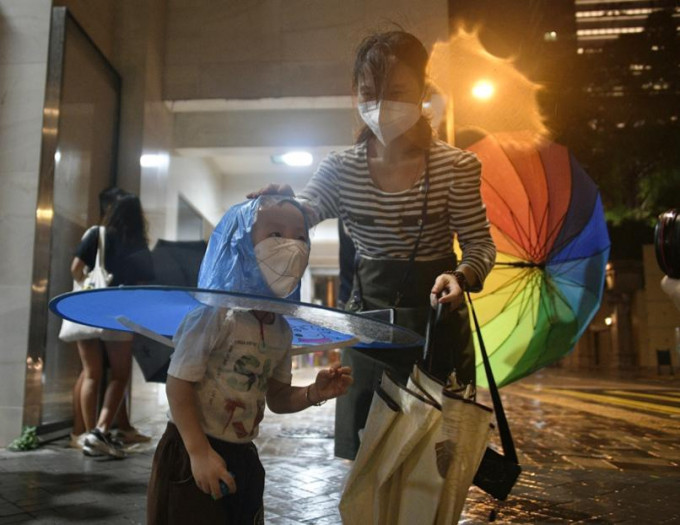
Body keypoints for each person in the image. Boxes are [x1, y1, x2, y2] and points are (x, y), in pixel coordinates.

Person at [249, 30, 496, 460]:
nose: (381, 105)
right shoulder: (340, 168)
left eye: (397, 91)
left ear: (422, 90)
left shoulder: (455, 166)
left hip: (435, 322)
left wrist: (460, 277)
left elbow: (479, 244)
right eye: (369, 92)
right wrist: (282, 205)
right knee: (369, 458)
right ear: (355, 96)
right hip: (366, 323)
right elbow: (306, 211)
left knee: (433, 463)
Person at [146, 196, 353, 525]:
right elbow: (178, 384)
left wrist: (314, 393)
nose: (292, 246)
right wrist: (198, 453)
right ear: (241, 245)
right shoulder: (214, 314)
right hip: (190, 448)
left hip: (242, 453)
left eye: (301, 237)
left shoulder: (281, 330)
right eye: (275, 234)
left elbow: (278, 397)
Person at [71, 194, 155, 458]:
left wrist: (89, 287)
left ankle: (86, 435)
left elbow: (75, 268)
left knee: (91, 372)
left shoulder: (97, 234)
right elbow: (143, 286)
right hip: (120, 313)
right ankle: (101, 430)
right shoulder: (139, 245)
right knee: (119, 375)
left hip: (89, 308)